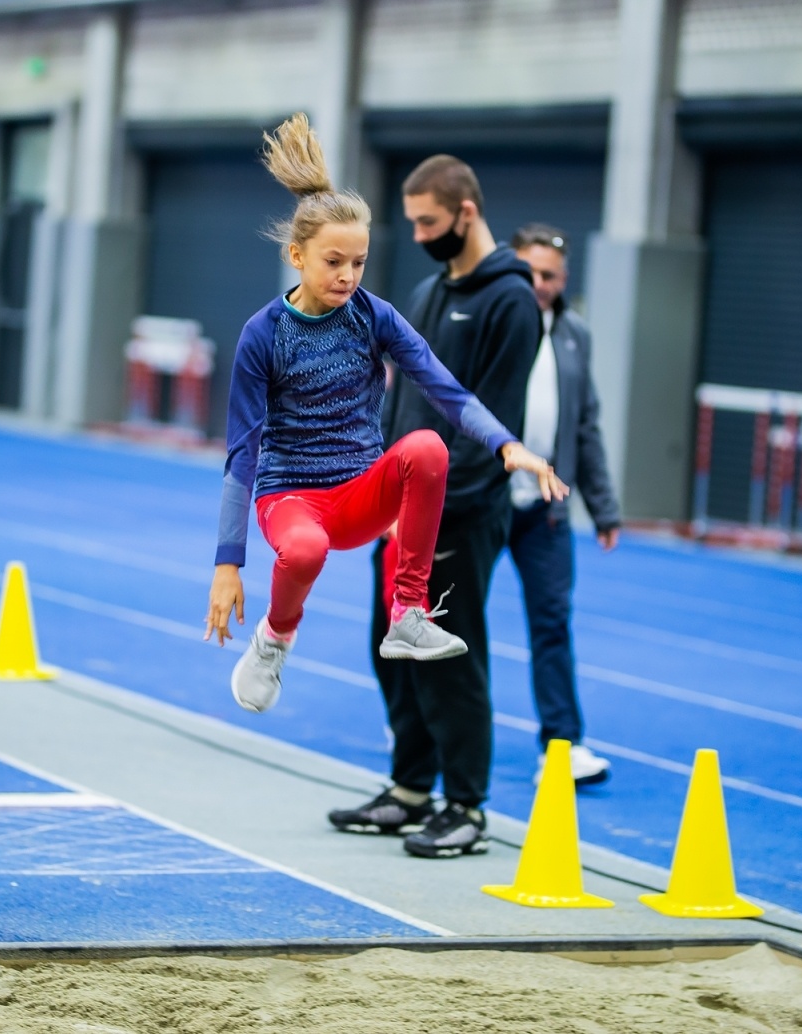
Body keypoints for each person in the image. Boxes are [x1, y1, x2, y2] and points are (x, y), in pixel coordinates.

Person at [203, 115, 565, 754]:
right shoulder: (263, 334)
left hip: (363, 490)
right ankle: (276, 638)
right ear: (297, 255)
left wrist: (508, 445)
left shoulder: (373, 316)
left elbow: (444, 388)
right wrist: (229, 563)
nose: (347, 277)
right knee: (307, 552)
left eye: (359, 263)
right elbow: (242, 453)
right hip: (292, 500)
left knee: (426, 445)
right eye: (333, 262)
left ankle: (408, 614)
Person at [328, 155, 542, 858]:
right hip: (397, 513)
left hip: (458, 514)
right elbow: (400, 400)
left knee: (450, 657)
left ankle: (466, 806)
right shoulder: (425, 293)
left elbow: (492, 422)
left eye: (429, 221)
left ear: (466, 213)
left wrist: (435, 509)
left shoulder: (510, 302)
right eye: (413, 221)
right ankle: (410, 790)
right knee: (390, 651)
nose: (419, 234)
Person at [508, 223, 622, 787]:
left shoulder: (576, 334)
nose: (541, 284)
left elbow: (586, 424)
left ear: (565, 279)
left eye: (551, 276)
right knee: (447, 618)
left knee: (552, 622)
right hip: (483, 498)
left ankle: (563, 744)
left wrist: (603, 507)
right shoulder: (490, 320)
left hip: (546, 507)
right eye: (531, 272)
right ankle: (430, 730)